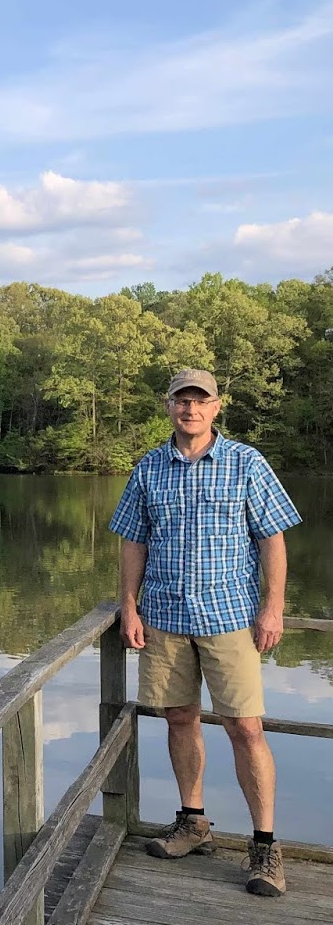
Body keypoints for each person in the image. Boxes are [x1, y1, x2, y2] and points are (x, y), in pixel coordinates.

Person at [108, 369, 301, 897]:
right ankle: (193, 822)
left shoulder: (246, 463)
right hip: (165, 617)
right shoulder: (150, 468)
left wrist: (274, 607)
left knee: (245, 727)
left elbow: (272, 541)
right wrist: (129, 605)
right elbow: (132, 540)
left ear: (218, 407)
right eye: (181, 400)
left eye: (201, 400)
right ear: (168, 406)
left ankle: (264, 846)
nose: (190, 409)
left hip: (230, 616)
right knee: (178, 719)